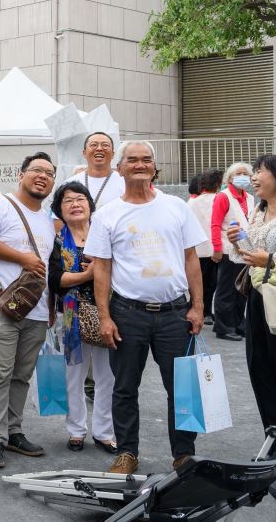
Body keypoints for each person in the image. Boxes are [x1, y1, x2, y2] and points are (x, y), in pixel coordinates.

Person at [86, 141, 205, 475]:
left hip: (174, 315)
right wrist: (105, 317)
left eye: (146, 160)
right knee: (124, 388)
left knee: (181, 388)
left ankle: (184, 453)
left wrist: (197, 307)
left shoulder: (176, 207)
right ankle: (127, 453)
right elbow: (102, 269)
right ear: (120, 168)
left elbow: (191, 258)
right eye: (133, 160)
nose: (140, 164)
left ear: (155, 168)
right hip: (127, 314)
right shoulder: (107, 214)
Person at [0, 152, 57, 469]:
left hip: (36, 310)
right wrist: (21, 258)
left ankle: (14, 431)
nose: (42, 176)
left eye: (49, 173)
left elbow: (48, 267)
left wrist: (50, 308)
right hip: (2, 306)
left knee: (21, 376)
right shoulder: (0, 204)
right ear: (21, 174)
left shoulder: (49, 220)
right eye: (36, 170)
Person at [226, 154, 276, 457]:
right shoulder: (257, 210)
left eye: (259, 172)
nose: (253, 177)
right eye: (252, 172)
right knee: (260, 367)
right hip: (258, 298)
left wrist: (272, 260)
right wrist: (237, 242)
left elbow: (275, 256)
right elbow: (247, 256)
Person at [47, 182, 117, 455]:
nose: (75, 204)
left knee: (107, 376)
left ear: (90, 205)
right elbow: (56, 279)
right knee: (73, 376)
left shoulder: (106, 234)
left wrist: (101, 272)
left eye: (80, 199)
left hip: (108, 313)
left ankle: (104, 432)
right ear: (59, 211)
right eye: (68, 201)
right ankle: (76, 430)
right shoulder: (55, 242)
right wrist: (90, 275)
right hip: (71, 316)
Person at [210, 161, 253, 341]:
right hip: (228, 249)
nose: (243, 176)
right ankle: (224, 326)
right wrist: (217, 249)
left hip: (245, 250)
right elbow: (215, 224)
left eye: (246, 173)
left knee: (240, 288)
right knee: (226, 290)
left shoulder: (249, 197)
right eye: (239, 173)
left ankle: (237, 322)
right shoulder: (223, 197)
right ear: (230, 177)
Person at [187, 169, 222, 326]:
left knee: (198, 281)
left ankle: (197, 307)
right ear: (218, 184)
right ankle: (206, 310)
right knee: (211, 283)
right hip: (214, 247)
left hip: (196, 248)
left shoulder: (192, 202)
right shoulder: (219, 199)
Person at [65, 132, 125, 209]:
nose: (99, 148)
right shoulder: (69, 184)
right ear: (84, 153)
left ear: (113, 154)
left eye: (105, 145)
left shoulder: (126, 183)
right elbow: (58, 219)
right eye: (94, 145)